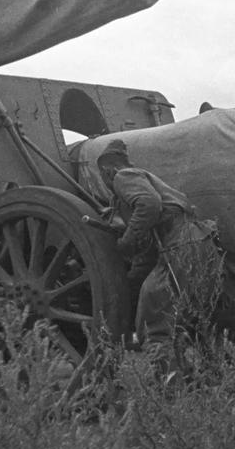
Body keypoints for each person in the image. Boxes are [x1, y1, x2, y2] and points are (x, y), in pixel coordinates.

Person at [96, 139, 223, 383]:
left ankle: (171, 389)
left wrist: (126, 241)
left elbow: (149, 205)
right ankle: (210, 380)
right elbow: (151, 243)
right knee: (197, 317)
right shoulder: (149, 180)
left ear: (107, 170)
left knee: (152, 320)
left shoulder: (124, 177)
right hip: (200, 242)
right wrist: (131, 281)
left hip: (181, 245)